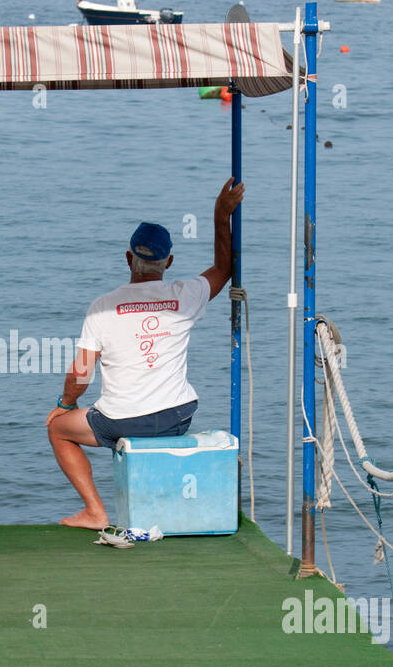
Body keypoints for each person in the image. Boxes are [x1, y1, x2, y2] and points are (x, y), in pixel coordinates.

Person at [45, 177, 244, 529]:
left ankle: (95, 511)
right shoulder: (185, 296)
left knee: (58, 430)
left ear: (128, 258)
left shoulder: (102, 308)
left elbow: (80, 375)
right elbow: (223, 269)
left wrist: (63, 405)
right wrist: (219, 215)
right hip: (177, 416)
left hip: (122, 421)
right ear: (168, 262)